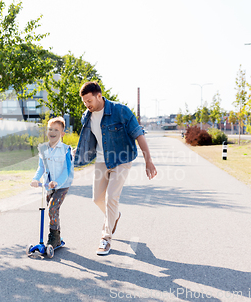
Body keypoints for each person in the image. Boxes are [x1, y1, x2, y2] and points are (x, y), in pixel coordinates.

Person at [74, 81, 157, 255]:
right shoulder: (87, 116)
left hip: (121, 159)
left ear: (99, 95)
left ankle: (105, 239)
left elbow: (138, 133)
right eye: (84, 102)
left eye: (89, 101)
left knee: (111, 197)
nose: (87, 105)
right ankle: (114, 216)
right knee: (97, 199)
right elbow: (88, 140)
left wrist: (148, 160)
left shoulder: (121, 111)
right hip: (101, 161)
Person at [31, 117, 74, 248]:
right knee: (53, 211)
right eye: (50, 129)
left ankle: (53, 236)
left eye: (56, 129)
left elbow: (67, 171)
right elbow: (41, 167)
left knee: (52, 208)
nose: (52, 132)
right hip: (48, 186)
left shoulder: (66, 149)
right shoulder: (43, 149)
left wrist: (57, 182)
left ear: (62, 134)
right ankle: (57, 236)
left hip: (62, 185)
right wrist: (36, 179)